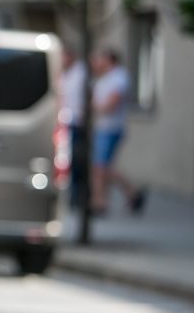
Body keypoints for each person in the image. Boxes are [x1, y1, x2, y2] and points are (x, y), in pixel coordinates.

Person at [89, 48, 146, 215]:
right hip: (104, 127)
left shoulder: (119, 77)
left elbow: (111, 105)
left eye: (101, 59)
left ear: (110, 60)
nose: (97, 63)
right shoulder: (104, 78)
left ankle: (100, 202)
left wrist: (94, 106)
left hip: (111, 128)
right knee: (102, 167)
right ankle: (125, 195)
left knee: (100, 166)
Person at [59, 49, 87, 208]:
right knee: (65, 160)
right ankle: (69, 195)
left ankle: (76, 196)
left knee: (76, 161)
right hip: (65, 121)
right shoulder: (64, 74)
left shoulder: (80, 72)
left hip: (77, 122)